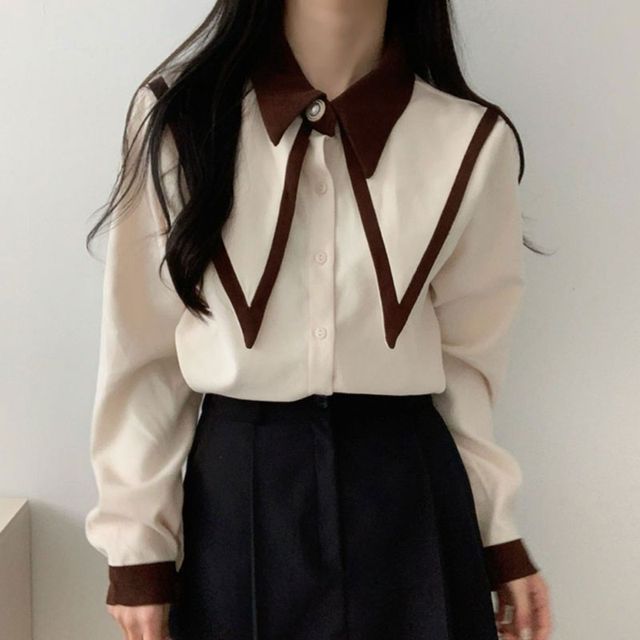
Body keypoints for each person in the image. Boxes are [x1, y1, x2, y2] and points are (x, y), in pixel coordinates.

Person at [84, 1, 553, 639]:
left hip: (410, 496)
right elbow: (143, 353)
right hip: (238, 497)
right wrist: (138, 547)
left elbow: (468, 366)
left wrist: (498, 533)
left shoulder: (471, 139)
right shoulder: (180, 116)